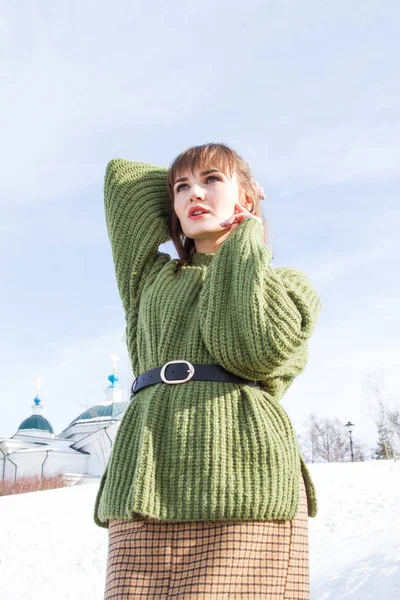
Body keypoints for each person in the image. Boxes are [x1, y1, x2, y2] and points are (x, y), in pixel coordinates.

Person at [94, 142, 322, 599]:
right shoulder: (149, 278)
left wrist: (244, 238)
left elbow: (251, 349)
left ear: (248, 195)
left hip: (244, 472)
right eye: (181, 188)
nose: (194, 193)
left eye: (211, 180)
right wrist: (201, 188)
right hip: (148, 473)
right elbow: (121, 180)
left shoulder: (288, 286)